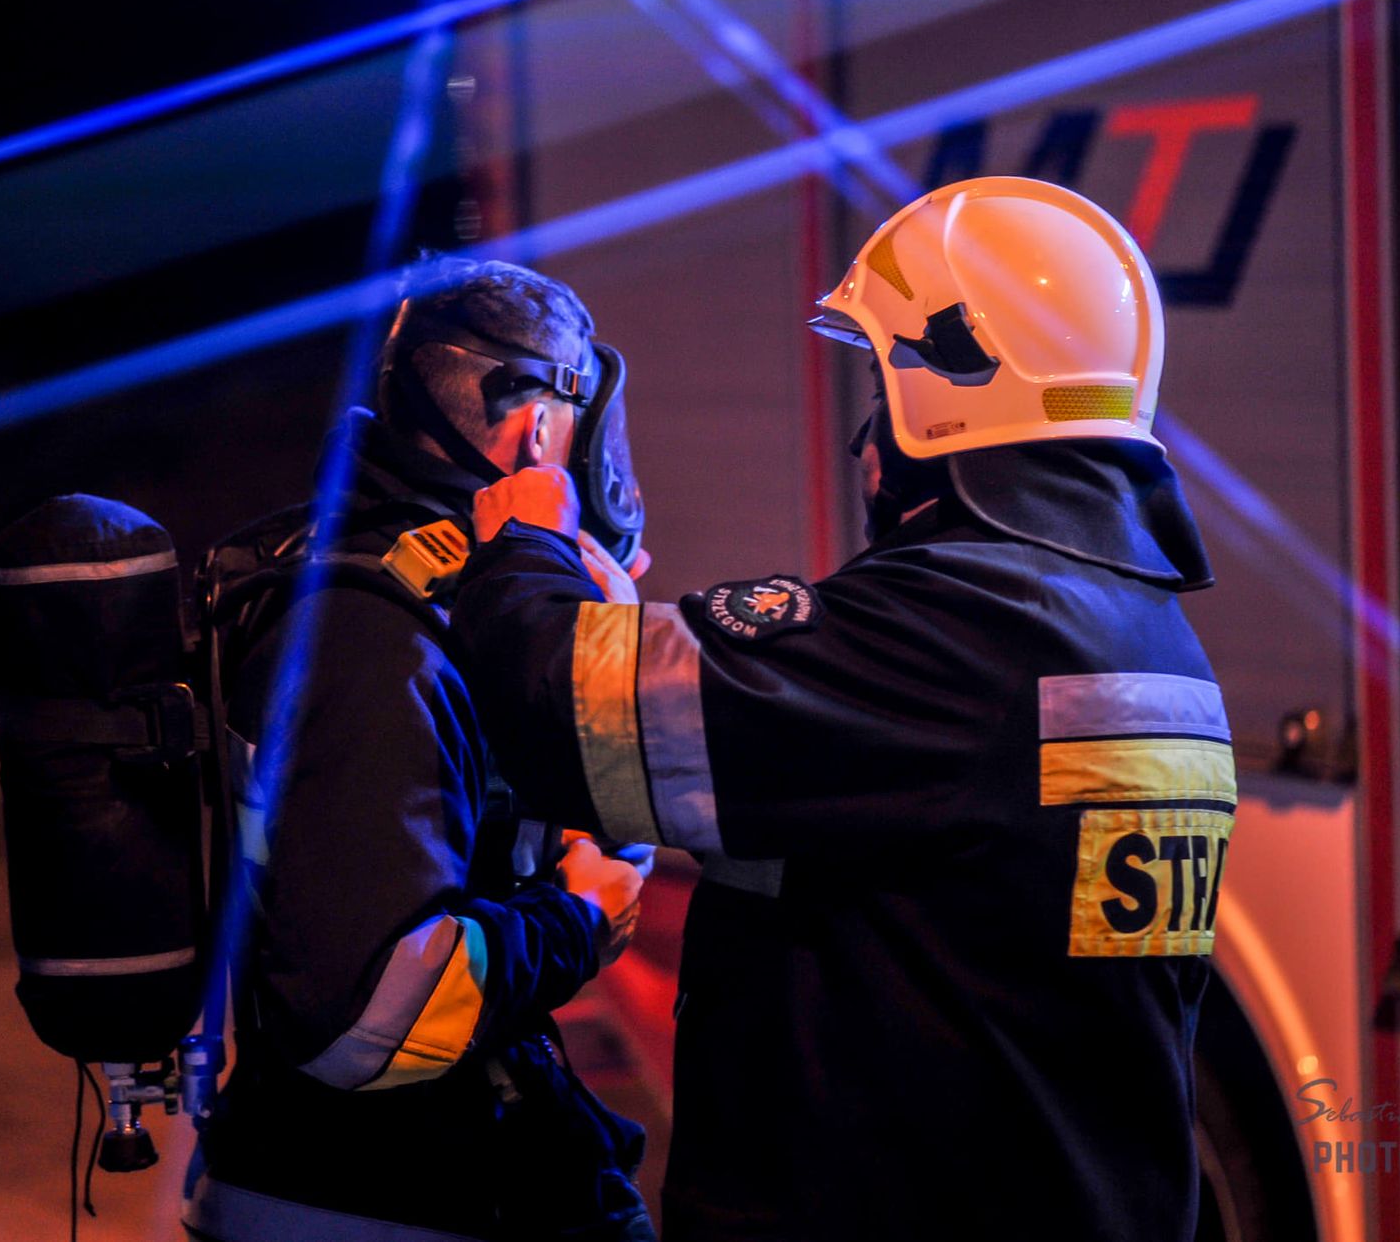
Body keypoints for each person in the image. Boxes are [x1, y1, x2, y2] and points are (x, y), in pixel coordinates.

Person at [449, 177, 1237, 1241]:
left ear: (954, 383)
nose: (865, 439)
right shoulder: (1145, 633)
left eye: (881, 382)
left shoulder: (963, 629)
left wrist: (528, 542)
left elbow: (560, 712)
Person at [183, 258, 658, 1242]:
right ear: (540, 430)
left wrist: (592, 652)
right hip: (390, 1200)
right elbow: (370, 1018)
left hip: (354, 1189)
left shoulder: (410, 594)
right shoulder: (378, 636)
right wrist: (577, 917)